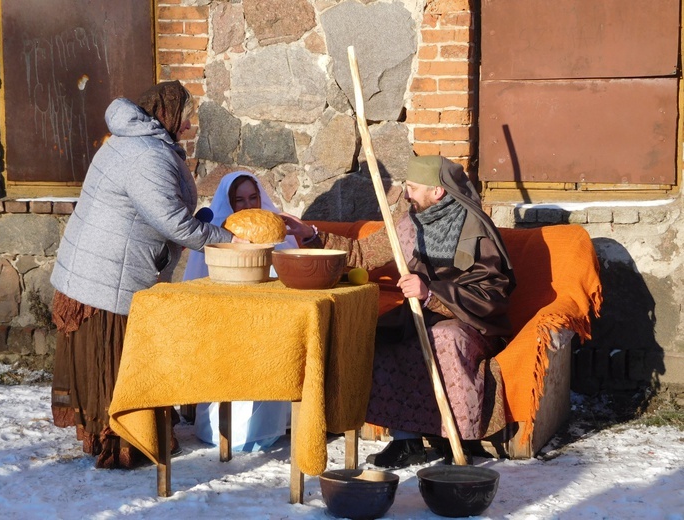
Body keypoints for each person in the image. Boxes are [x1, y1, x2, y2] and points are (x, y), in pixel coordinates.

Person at [282, 155, 516, 468]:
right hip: (420, 316)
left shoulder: (475, 230)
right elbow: (364, 254)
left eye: (412, 188)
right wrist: (311, 234)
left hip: (469, 322)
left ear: (438, 192)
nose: (405, 194)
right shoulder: (411, 221)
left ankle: (453, 441)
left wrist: (432, 293)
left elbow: (490, 294)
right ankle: (406, 441)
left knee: (444, 339)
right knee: (382, 338)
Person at [50, 80, 233, 469]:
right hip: (108, 273)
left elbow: (161, 212)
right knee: (118, 361)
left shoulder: (135, 142)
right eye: (185, 118)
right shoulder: (145, 154)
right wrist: (228, 239)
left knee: (115, 361)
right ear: (166, 115)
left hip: (102, 266)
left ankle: (117, 433)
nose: (188, 126)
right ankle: (124, 441)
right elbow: (171, 222)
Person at [182, 171, 294, 451]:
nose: (247, 206)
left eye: (253, 197)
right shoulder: (214, 236)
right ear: (229, 202)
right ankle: (224, 429)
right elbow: (199, 283)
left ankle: (268, 426)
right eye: (239, 200)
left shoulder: (275, 228)